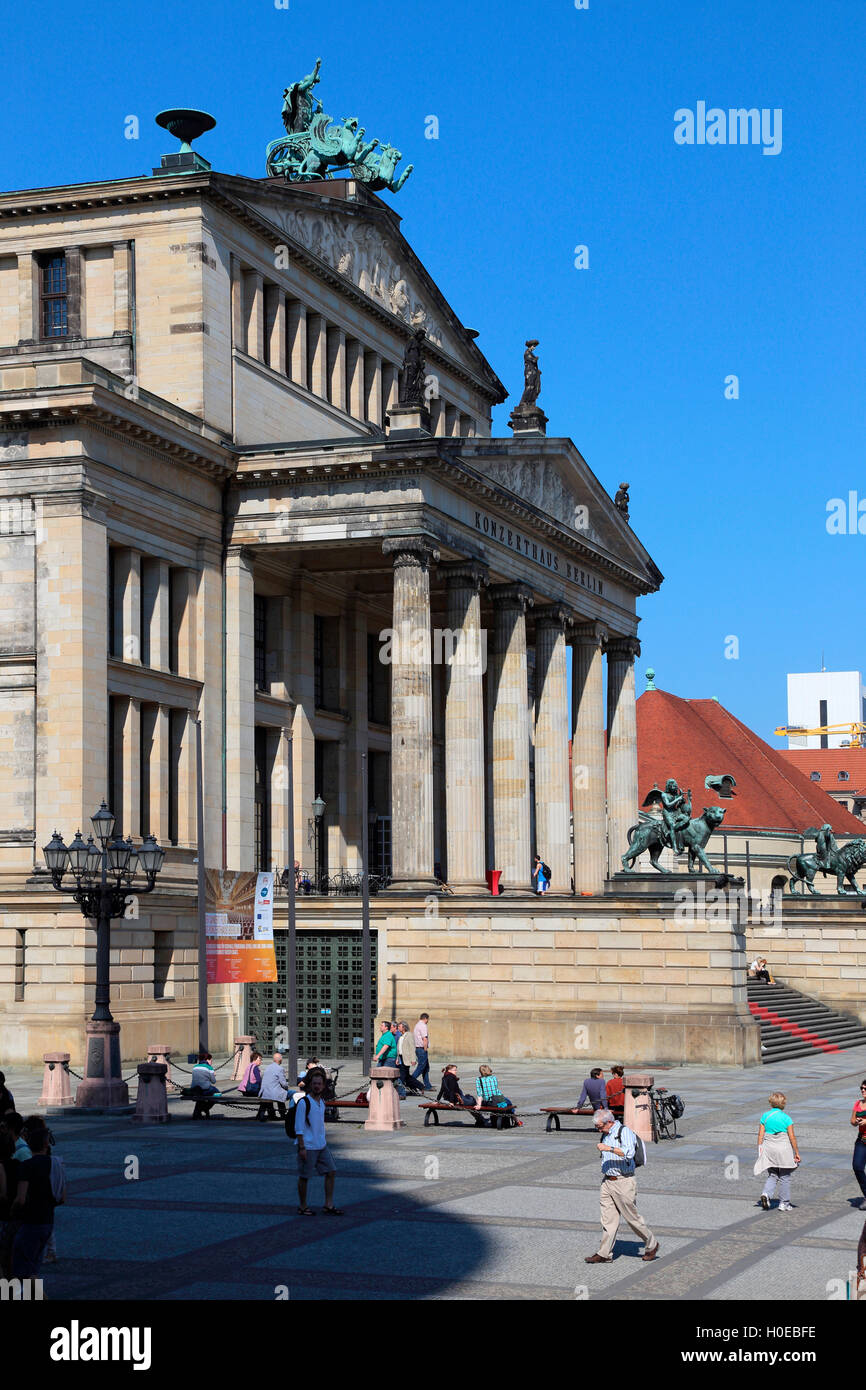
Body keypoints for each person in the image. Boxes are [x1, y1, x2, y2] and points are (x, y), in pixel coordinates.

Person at [585, 1109, 658, 1264]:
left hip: (623, 1181)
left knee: (632, 1219)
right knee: (608, 1220)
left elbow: (628, 1153)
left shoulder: (624, 1132)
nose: (599, 1130)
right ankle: (604, 1253)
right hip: (607, 1181)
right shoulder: (606, 1133)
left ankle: (652, 1244)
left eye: (600, 1126)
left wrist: (608, 1148)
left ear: (609, 1122)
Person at [11, 1119, 63, 1280]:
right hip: (48, 1221)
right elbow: (62, 1197)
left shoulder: (27, 1166)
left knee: (22, 1270)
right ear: (46, 1145)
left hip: (30, 1221)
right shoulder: (57, 1164)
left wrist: (13, 1210)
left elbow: (20, 1199)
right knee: (32, 1268)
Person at [294, 1067, 341, 1216]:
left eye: (319, 1084)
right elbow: (299, 1127)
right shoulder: (304, 1103)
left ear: (323, 1085)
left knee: (331, 1171)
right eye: (314, 1083)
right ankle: (303, 1206)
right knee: (305, 1176)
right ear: (310, 1085)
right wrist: (302, 1147)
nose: (317, 1086)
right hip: (308, 1146)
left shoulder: (321, 1102)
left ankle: (328, 1204)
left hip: (321, 1145)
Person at [756, 1091, 800, 1211]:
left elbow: (760, 1135)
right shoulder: (786, 1118)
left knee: (773, 1174)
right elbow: (792, 1137)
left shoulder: (765, 1116)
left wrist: (760, 1149)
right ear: (783, 1103)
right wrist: (796, 1152)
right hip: (783, 1148)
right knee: (785, 1176)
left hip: (769, 1147)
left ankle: (766, 1194)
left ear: (771, 1102)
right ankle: (784, 1203)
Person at [257, 1052, 290, 1122]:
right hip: (272, 1093)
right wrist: (287, 1087)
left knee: (278, 1092)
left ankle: (272, 1114)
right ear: (280, 1060)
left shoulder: (268, 1067)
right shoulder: (280, 1069)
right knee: (287, 1093)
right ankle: (283, 1113)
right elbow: (283, 1084)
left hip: (264, 1092)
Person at [850, 1080, 866, 1209]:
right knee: (857, 1167)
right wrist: (857, 1121)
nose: (863, 1090)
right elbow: (852, 1120)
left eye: (865, 1088)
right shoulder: (858, 1103)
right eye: (861, 1088)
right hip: (862, 1140)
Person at [411, 1013, 432, 1090]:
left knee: (426, 1067)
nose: (427, 1021)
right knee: (421, 1067)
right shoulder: (423, 1026)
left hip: (418, 1048)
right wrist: (425, 1049)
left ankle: (428, 1085)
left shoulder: (417, 1025)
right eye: (427, 1020)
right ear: (426, 1019)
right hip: (422, 1049)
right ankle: (410, 1080)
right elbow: (425, 1038)